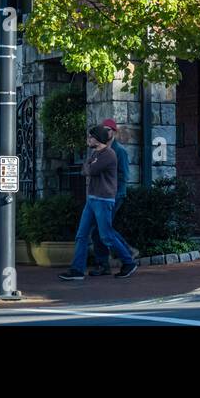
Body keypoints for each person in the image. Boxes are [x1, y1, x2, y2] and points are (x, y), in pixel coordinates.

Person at [59, 125, 137, 281]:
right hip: (92, 199)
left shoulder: (109, 154)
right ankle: (77, 270)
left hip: (103, 200)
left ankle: (128, 262)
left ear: (98, 138)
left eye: (90, 137)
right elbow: (84, 170)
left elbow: (89, 171)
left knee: (106, 235)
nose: (88, 139)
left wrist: (88, 165)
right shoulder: (95, 153)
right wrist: (88, 165)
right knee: (81, 235)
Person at [89, 118, 132, 276]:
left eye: (108, 129)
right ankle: (107, 263)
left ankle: (118, 258)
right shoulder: (100, 150)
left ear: (114, 132)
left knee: (101, 230)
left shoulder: (119, 151)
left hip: (114, 196)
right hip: (100, 196)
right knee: (101, 230)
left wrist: (115, 194)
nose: (106, 132)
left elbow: (124, 175)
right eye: (104, 129)